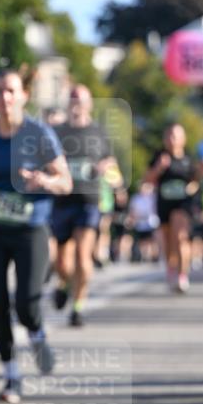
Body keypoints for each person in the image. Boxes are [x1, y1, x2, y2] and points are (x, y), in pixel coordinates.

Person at [0, 68, 72, 403]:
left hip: (30, 229)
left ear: (23, 95)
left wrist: (44, 182)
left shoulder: (39, 134)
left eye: (11, 91)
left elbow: (65, 182)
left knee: (26, 303)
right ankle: (11, 375)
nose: (5, 98)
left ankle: (37, 335)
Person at [50, 85, 121, 326]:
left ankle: (78, 307)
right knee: (62, 263)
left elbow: (110, 161)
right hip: (62, 201)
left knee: (83, 256)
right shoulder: (57, 132)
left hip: (89, 201)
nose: (76, 103)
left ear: (90, 104)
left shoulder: (98, 132)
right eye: (72, 98)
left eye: (81, 99)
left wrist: (109, 172)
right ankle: (63, 283)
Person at [143, 123, 200, 292]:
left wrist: (196, 179)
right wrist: (159, 168)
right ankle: (171, 268)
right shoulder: (159, 157)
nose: (171, 139)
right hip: (164, 205)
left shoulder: (189, 160)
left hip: (183, 204)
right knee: (169, 241)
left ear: (183, 139)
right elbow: (147, 180)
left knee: (181, 237)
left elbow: (195, 181)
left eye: (175, 136)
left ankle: (182, 275)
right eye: (169, 136)